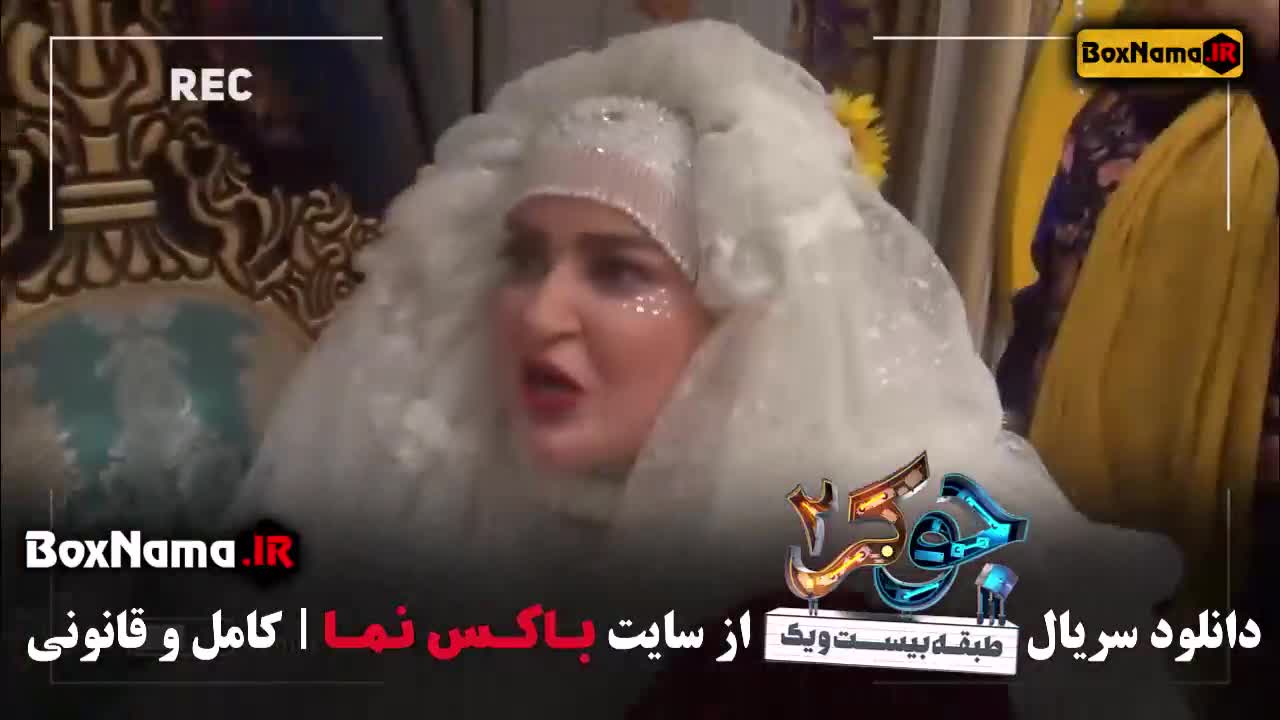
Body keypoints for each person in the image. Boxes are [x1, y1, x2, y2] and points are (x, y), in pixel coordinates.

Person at [229, 21, 1189, 718]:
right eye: (524, 259)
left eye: (618, 271)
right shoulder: (442, 512)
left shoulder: (871, 622)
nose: (540, 312)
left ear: (743, 319)